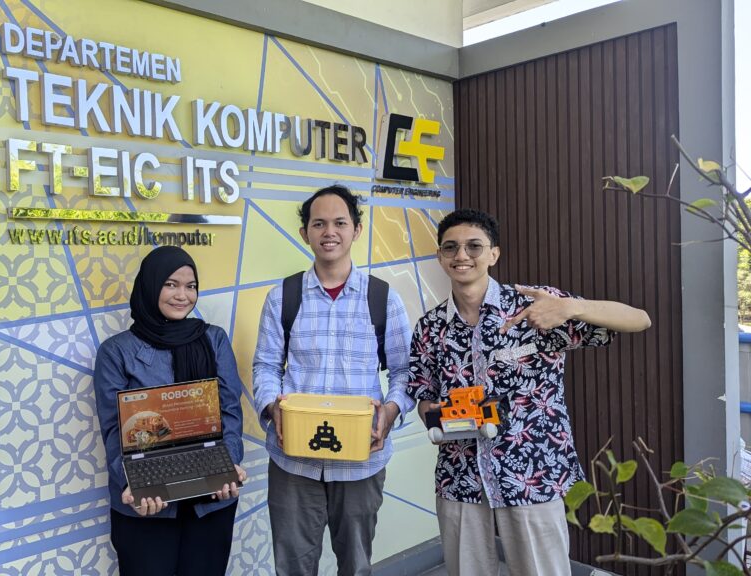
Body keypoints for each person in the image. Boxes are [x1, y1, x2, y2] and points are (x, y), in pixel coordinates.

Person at [410, 209, 652, 576]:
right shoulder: (430, 327)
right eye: (451, 247)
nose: (462, 255)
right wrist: (443, 418)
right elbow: (424, 395)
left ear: (494, 254)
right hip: (459, 476)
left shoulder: (537, 307)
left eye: (474, 246)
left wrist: (572, 307)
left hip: (531, 471)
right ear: (440, 257)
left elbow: (639, 319)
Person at [252, 185, 415, 576]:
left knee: (356, 565)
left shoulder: (383, 298)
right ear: (305, 232)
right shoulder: (283, 296)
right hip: (293, 462)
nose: (329, 232)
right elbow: (266, 366)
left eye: (340, 223)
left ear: (356, 230)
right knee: (293, 566)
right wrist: (274, 408)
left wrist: (390, 412)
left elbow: (405, 371)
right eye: (319, 223)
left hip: (361, 461)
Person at [94, 246, 247, 576]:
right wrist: (135, 484)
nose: (182, 295)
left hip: (211, 501)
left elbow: (230, 413)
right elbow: (113, 431)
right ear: (150, 286)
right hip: (147, 507)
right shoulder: (116, 352)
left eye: (191, 286)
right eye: (170, 284)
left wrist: (229, 465)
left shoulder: (214, 339)